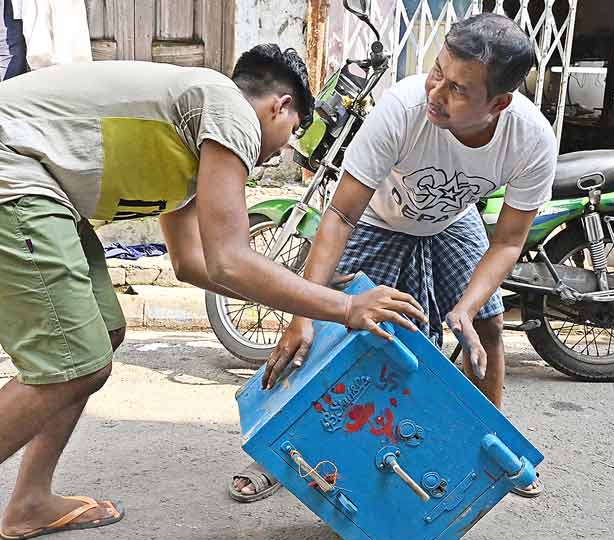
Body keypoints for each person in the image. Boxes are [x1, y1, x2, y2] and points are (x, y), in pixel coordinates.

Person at [0, 45, 426, 540]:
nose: (279, 153)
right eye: (291, 134)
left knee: (100, 338)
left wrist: (308, 298)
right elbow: (230, 260)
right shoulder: (228, 108)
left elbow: (192, 264)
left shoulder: (193, 140)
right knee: (68, 364)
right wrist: (341, 308)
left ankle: (30, 501)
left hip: (24, 178)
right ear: (280, 106)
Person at [229, 13, 555, 503]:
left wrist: (465, 307)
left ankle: (494, 452)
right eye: (437, 71)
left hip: (451, 222)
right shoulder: (403, 108)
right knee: (330, 331)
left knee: (486, 324)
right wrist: (303, 311)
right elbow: (340, 213)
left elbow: (508, 241)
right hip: (377, 219)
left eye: (459, 89)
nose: (437, 93)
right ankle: (277, 452)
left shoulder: (531, 139)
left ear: (499, 103)